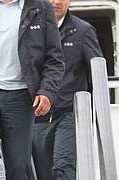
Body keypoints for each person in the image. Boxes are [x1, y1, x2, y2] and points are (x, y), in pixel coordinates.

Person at [0, 0, 65, 179]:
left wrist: (47, 92)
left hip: (22, 98)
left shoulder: (42, 7)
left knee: (19, 164)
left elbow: (55, 60)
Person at [32, 0, 103, 179]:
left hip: (69, 113)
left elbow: (97, 72)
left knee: (64, 166)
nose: (56, 2)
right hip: (37, 114)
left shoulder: (83, 31)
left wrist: (92, 111)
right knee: (41, 171)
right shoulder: (32, 29)